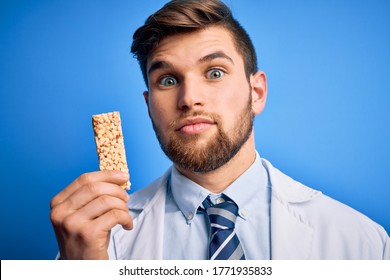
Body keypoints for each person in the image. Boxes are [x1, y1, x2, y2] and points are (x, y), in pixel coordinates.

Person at [50, 0, 390, 260]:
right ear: (149, 105)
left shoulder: (361, 242)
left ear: (256, 93)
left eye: (214, 72)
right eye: (167, 80)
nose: (189, 99)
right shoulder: (98, 244)